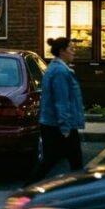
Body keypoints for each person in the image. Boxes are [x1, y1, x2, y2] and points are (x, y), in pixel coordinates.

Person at [29, 37, 85, 182]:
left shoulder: (55, 68)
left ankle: (26, 190)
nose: (74, 52)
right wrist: (65, 127)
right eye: (71, 49)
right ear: (62, 51)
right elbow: (62, 101)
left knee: (54, 161)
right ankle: (25, 191)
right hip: (59, 126)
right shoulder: (60, 72)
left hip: (53, 124)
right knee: (72, 163)